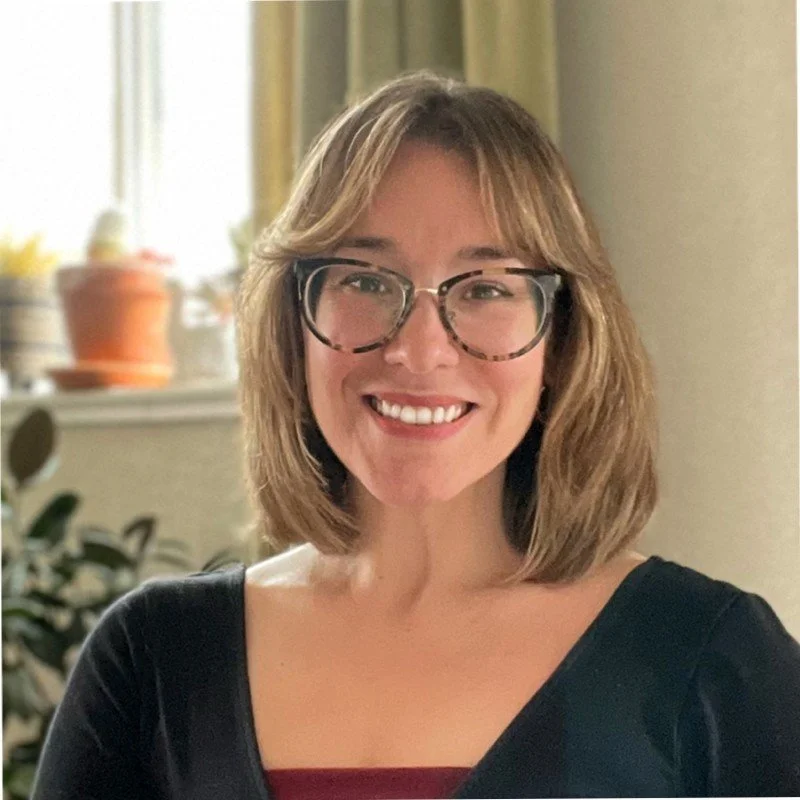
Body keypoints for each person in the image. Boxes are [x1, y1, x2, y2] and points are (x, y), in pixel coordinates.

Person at [32, 72, 800, 800]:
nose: (420, 350)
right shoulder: (154, 661)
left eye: (486, 288)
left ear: (562, 340)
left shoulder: (712, 659)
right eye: (366, 281)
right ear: (293, 322)